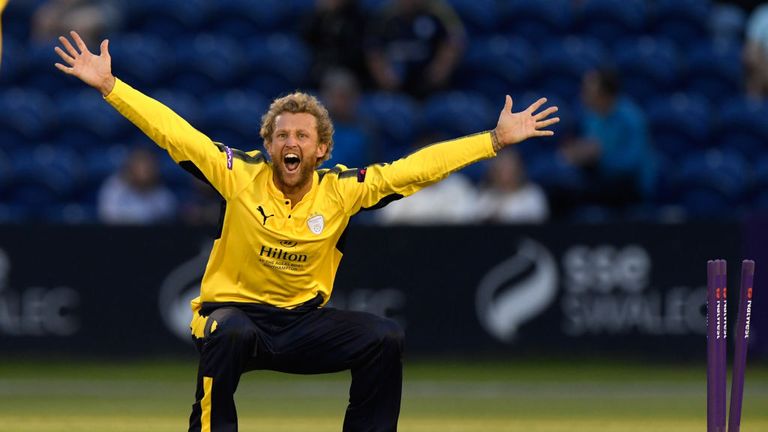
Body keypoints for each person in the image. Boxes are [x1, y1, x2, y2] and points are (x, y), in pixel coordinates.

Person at [54, 30, 559, 432]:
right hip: (233, 318)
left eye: (301, 135)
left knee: (383, 338)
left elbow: (416, 170)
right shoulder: (237, 174)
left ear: (321, 151)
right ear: (268, 145)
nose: (289, 141)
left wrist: (492, 140)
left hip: (301, 325)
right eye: (281, 135)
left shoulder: (341, 190)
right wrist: (110, 88)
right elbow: (173, 130)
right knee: (227, 334)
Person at [559, 68, 656, 209]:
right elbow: (589, 149)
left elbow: (633, 162)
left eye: (588, 90)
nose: (583, 95)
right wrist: (577, 154)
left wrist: (599, 155)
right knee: (561, 191)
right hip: (600, 180)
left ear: (604, 93)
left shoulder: (632, 118)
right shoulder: (591, 118)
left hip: (630, 184)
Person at [365, 0, 465, 98]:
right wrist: (385, 76)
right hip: (394, 85)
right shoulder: (385, 14)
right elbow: (373, 48)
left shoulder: (439, 11)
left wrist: (440, 69)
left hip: (430, 84)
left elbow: (454, 40)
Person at [97, 147, 178, 224]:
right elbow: (108, 219)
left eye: (148, 166)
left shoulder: (163, 195)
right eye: (140, 165)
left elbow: (167, 224)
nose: (144, 170)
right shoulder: (114, 188)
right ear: (130, 166)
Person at [475, 149, 549, 223]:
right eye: (502, 167)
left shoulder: (532, 194)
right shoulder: (486, 195)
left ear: (518, 169)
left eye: (509, 167)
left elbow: (540, 224)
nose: (506, 172)